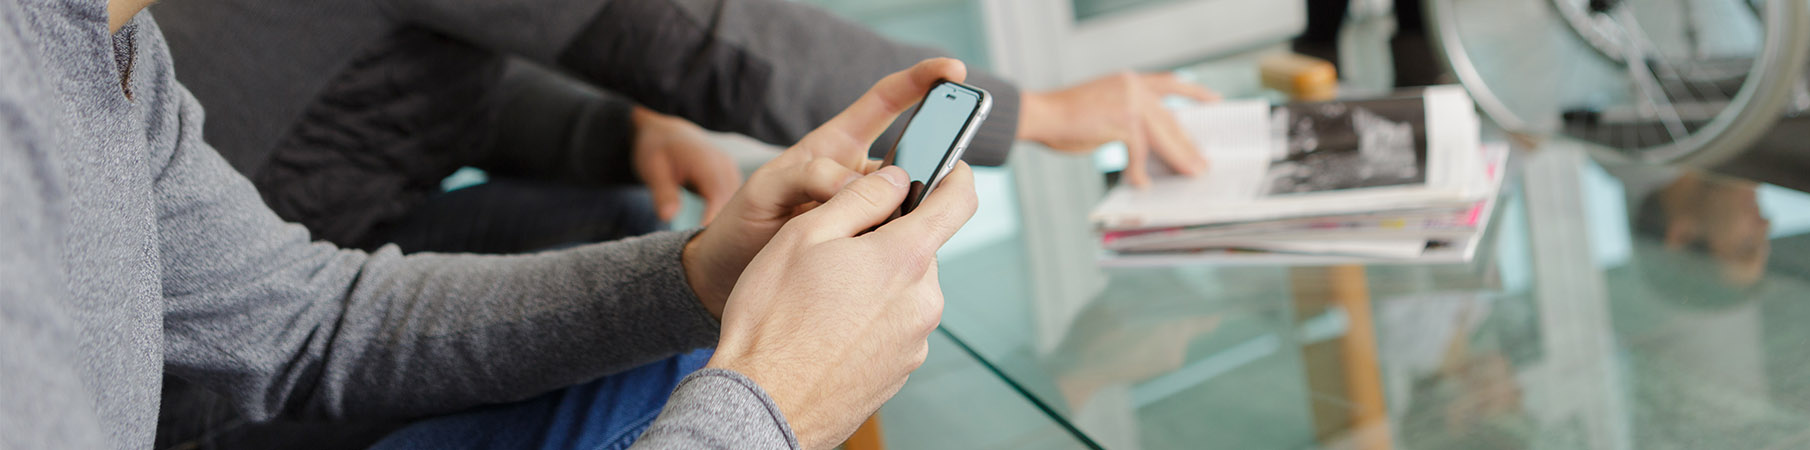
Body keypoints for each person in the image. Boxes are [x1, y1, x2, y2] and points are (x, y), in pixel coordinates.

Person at [0, 0, 979, 447]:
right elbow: (709, 45)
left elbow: (310, 321)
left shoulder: (118, 52)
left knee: (683, 331)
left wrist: (697, 277)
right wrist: (772, 407)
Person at [147, 0, 1221, 252]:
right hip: (210, 363)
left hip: (258, 252)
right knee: (693, 272)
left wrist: (617, 133)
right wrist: (1044, 112)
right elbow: (695, 37)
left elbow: (385, 76)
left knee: (634, 211)